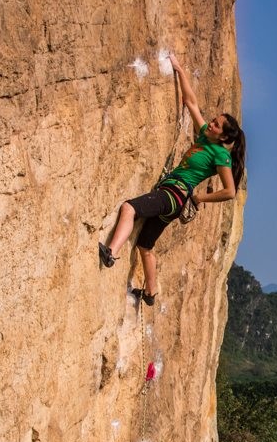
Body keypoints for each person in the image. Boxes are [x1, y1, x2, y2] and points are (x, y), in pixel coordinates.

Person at [99, 53, 245, 305]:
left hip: (174, 194)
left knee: (129, 208)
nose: (211, 124)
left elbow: (230, 191)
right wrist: (179, 69)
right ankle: (150, 293)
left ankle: (111, 252)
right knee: (145, 245)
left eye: (216, 125)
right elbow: (191, 102)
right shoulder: (205, 136)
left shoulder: (221, 155)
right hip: (174, 201)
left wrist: (199, 198)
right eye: (214, 121)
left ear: (223, 137)